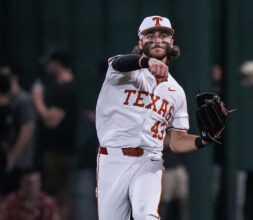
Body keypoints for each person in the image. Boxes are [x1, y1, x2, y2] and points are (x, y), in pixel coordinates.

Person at [96, 15, 214, 220]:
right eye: (150, 35)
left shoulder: (175, 91)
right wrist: (147, 61)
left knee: (145, 215)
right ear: (140, 42)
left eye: (163, 35)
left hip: (149, 159)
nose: (157, 40)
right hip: (112, 158)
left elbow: (177, 141)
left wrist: (202, 140)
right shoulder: (122, 72)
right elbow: (122, 62)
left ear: (171, 43)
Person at [32, 50, 78, 220]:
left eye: (50, 63)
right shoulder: (61, 88)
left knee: (60, 197)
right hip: (56, 151)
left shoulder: (65, 90)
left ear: (57, 63)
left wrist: (37, 100)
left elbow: (51, 120)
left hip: (60, 153)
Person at [0, 65, 36, 196]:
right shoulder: (7, 101)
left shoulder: (22, 101)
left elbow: (27, 131)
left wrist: (11, 159)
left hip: (19, 163)